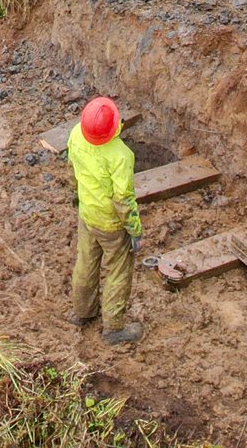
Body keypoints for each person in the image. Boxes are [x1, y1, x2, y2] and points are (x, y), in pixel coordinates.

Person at [66, 95, 143, 345]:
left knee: (86, 262)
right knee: (118, 270)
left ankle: (82, 312)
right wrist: (134, 229)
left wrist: (77, 197)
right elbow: (123, 199)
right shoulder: (120, 154)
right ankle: (113, 328)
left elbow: (73, 171)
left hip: (87, 214)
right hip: (111, 224)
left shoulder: (76, 135)